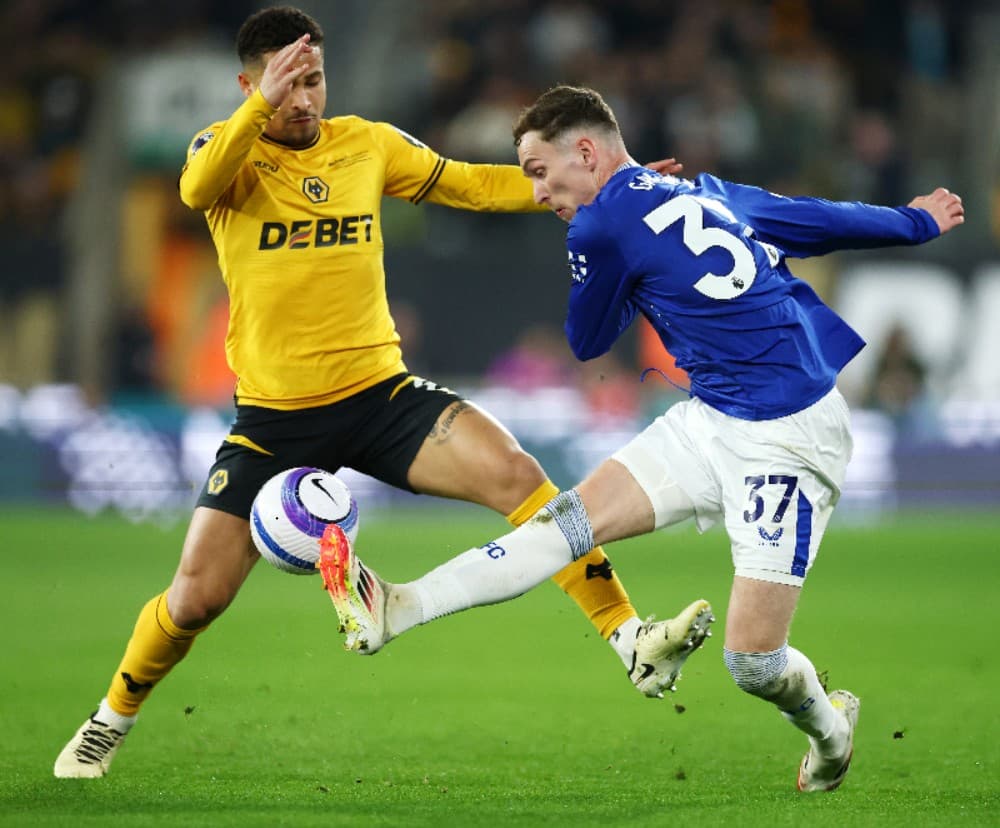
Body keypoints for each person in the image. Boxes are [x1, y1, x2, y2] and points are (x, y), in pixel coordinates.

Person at [52, 9, 697, 779]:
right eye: (285, 83)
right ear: (248, 84)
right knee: (193, 600)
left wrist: (604, 188)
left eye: (314, 80)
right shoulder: (224, 154)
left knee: (522, 478)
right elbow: (194, 189)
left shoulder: (367, 143)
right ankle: (107, 720)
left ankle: (630, 640)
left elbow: (475, 187)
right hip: (272, 425)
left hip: (382, 398)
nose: (303, 99)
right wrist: (261, 104)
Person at [320, 85, 965, 793]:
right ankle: (399, 605)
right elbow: (807, 219)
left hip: (787, 440)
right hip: (710, 417)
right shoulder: (701, 189)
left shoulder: (599, 229)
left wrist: (610, 269)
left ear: (588, 152)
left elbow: (588, 339)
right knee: (561, 525)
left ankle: (830, 731)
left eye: (540, 171)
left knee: (752, 662)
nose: (537, 193)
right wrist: (914, 222)